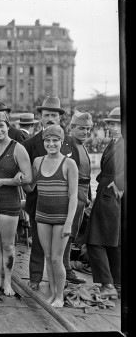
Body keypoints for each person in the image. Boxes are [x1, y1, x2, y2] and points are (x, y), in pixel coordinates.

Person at [22, 96, 83, 290]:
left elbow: (76, 175)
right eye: (46, 114)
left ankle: (61, 278)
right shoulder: (30, 144)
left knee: (61, 247)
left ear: (59, 118)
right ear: (40, 117)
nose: (50, 118)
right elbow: (27, 175)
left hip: (62, 206)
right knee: (39, 246)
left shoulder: (68, 144)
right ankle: (35, 278)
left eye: (53, 115)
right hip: (38, 203)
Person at [0, 111, 32, 296]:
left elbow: (29, 177)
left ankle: (8, 282)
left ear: (7, 126)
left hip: (8, 202)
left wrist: (6, 181)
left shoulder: (17, 148)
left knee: (8, 245)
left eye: (1, 125)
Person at [85, 107, 124, 299]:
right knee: (112, 241)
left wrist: (120, 184)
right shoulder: (114, 142)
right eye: (111, 124)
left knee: (95, 241)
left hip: (110, 194)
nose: (114, 127)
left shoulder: (122, 143)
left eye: (118, 124)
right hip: (105, 191)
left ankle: (107, 285)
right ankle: (116, 284)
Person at [63, 111, 94, 284]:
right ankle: (66, 269)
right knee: (68, 233)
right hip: (73, 195)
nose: (85, 132)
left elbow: (87, 176)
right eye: (81, 128)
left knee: (73, 233)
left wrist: (88, 196)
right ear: (72, 127)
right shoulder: (69, 144)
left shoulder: (81, 145)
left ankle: (66, 267)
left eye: (88, 129)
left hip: (82, 195)